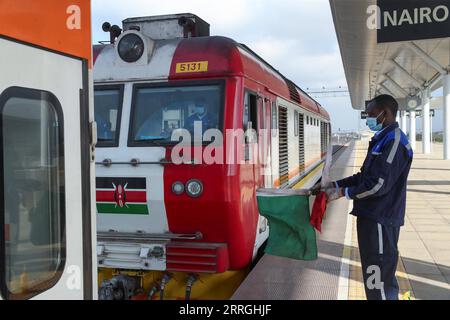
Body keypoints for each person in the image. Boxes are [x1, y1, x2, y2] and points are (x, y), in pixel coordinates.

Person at [313, 94, 413, 300]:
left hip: (380, 218)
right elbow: (364, 176)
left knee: (379, 278)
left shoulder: (394, 142)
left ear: (385, 113)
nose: (368, 118)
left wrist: (342, 193)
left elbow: (378, 185)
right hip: (371, 216)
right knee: (373, 272)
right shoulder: (382, 139)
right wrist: (335, 184)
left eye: (371, 114)